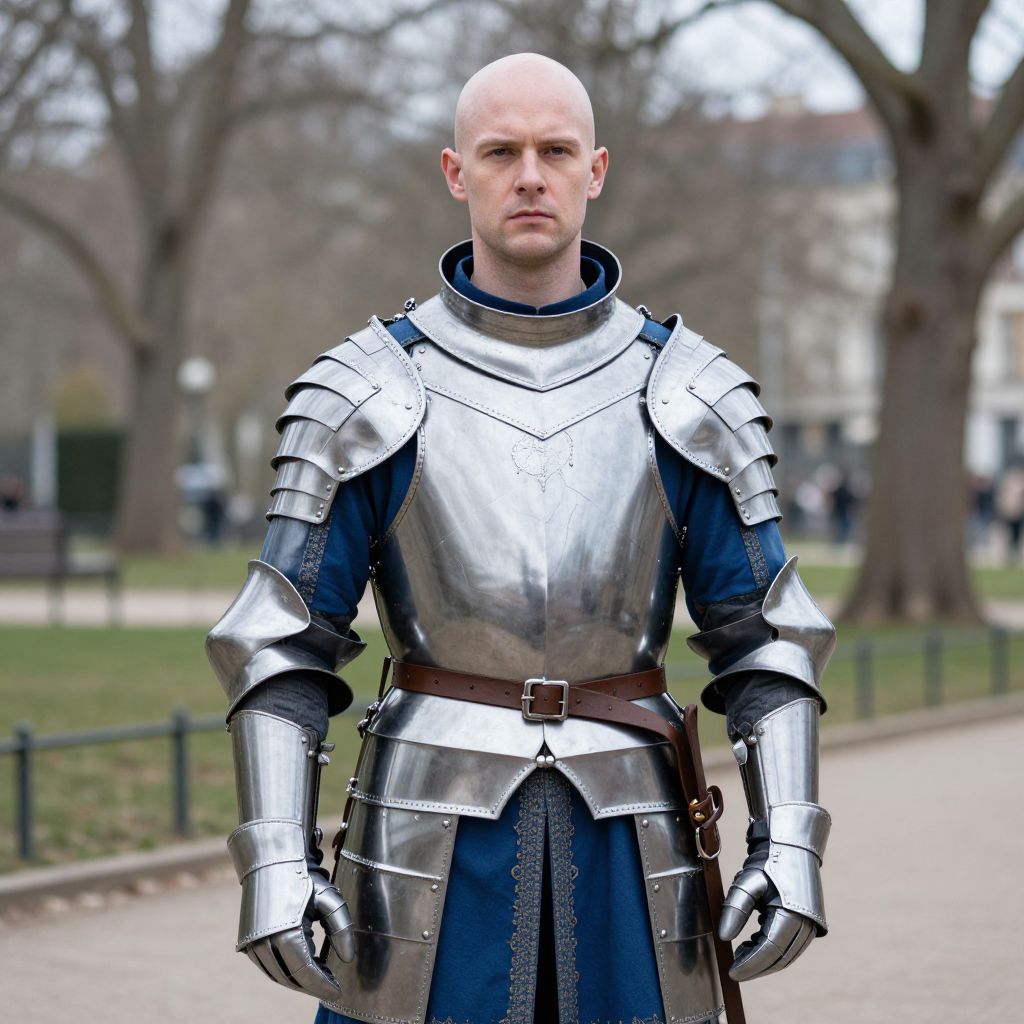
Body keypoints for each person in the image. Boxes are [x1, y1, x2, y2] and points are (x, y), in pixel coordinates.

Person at [207, 53, 835, 1024]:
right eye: (501, 151)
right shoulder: (366, 392)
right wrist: (275, 857)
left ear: (597, 168)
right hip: (424, 834)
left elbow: (767, 637)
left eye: (555, 149)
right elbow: (279, 639)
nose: (530, 175)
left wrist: (788, 838)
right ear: (457, 172)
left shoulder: (690, 392)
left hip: (633, 842)